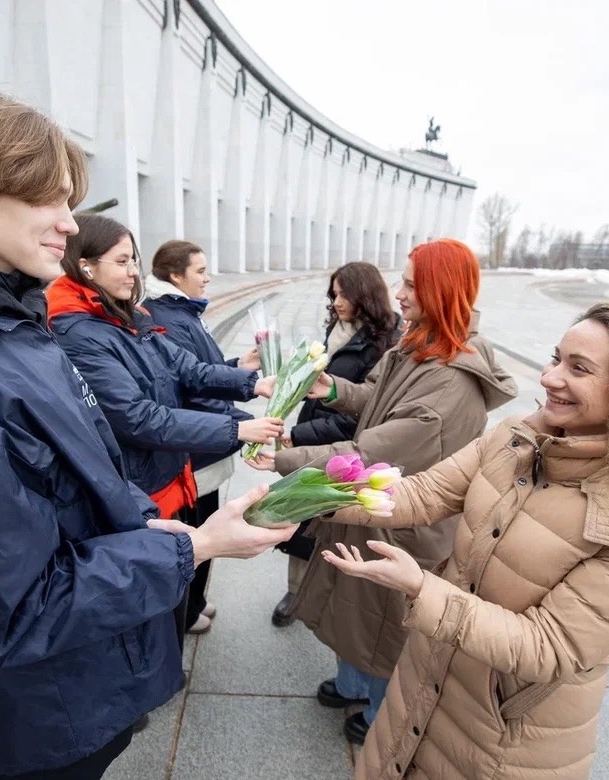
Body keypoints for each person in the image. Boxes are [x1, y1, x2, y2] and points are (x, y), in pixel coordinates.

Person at [0, 88, 296, 780]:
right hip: (46, 709)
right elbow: (18, 609)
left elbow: (85, 484)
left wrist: (175, 532)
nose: (71, 225)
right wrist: (195, 550)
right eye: (51, 200)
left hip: (84, 678)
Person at [321, 301, 609, 780]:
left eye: (578, 369)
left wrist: (421, 588)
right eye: (556, 358)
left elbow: (548, 647)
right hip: (424, 684)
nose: (550, 377)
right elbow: (424, 492)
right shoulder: (516, 439)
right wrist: (308, 498)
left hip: (504, 738)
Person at [249, 239, 517, 745]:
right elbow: (378, 398)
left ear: (441, 290)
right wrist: (332, 390)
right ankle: (351, 683)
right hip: (379, 507)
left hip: (404, 521)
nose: (400, 294)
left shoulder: (450, 383)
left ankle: (376, 711)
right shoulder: (422, 341)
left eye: (412, 284)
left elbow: (372, 452)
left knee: (380, 624)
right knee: (352, 607)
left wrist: (284, 459)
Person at [46, 216, 285, 646]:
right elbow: (138, 418)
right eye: (122, 261)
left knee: (168, 589)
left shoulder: (122, 317)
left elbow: (187, 368)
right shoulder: (79, 333)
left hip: (165, 473)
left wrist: (253, 383)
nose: (134, 271)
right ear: (85, 266)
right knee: (143, 604)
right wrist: (238, 429)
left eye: (134, 260)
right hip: (137, 483)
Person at [269, 261, 402, 628]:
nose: (336, 301)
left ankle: (324, 595)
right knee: (300, 517)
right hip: (312, 432)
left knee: (330, 522)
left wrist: (299, 437)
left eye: (343, 294)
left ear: (365, 295)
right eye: (333, 294)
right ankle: (295, 592)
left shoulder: (384, 344)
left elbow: (360, 414)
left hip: (343, 450)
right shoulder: (338, 329)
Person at [142, 239, 261, 634]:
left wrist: (236, 367)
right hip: (197, 448)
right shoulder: (171, 319)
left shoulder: (181, 311)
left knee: (203, 526)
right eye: (200, 271)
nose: (208, 277)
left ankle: (196, 604)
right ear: (175, 276)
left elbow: (201, 369)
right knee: (199, 533)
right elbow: (190, 389)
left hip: (203, 441)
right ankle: (188, 610)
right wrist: (241, 423)